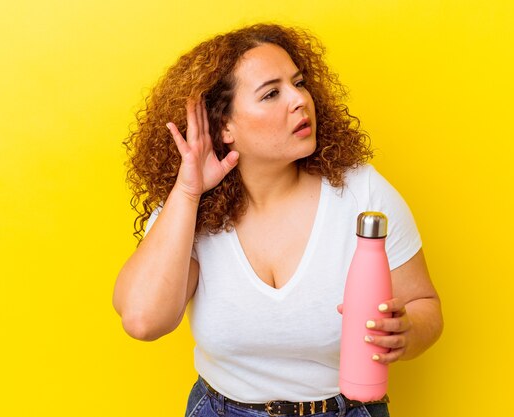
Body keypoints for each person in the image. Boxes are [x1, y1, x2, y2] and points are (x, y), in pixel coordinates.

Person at [113, 23, 443, 417]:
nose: (300, 100)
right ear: (225, 127)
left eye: (299, 83)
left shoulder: (362, 194)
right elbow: (142, 320)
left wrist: (408, 332)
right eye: (272, 93)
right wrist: (187, 193)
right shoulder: (195, 210)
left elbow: (425, 305)